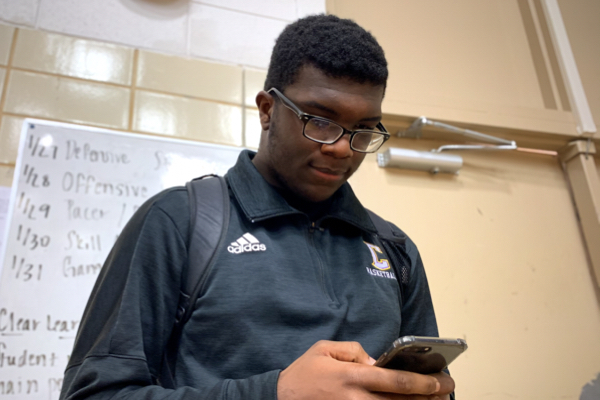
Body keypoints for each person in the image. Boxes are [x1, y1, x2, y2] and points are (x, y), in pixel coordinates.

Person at [60, 14, 455, 400]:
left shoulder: (395, 249)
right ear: (268, 110)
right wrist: (275, 392)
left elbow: (433, 385)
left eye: (363, 130)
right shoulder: (178, 222)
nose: (339, 148)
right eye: (319, 120)